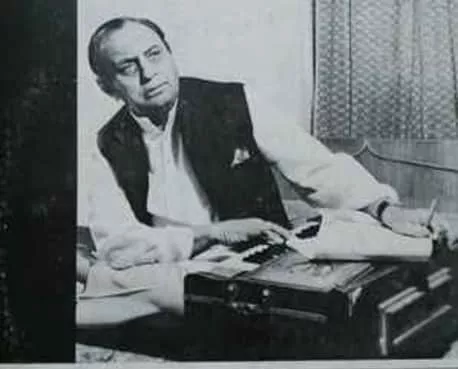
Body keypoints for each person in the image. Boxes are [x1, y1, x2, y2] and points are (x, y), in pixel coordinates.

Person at [78, 17, 448, 324]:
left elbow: (316, 168)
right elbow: (120, 246)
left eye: (154, 54)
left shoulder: (232, 101)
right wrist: (212, 233)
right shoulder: (107, 143)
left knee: (359, 234)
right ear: (107, 86)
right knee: (134, 273)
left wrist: (385, 210)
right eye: (128, 67)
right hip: (174, 263)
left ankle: (93, 283)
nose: (149, 73)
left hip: (259, 256)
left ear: (170, 54)